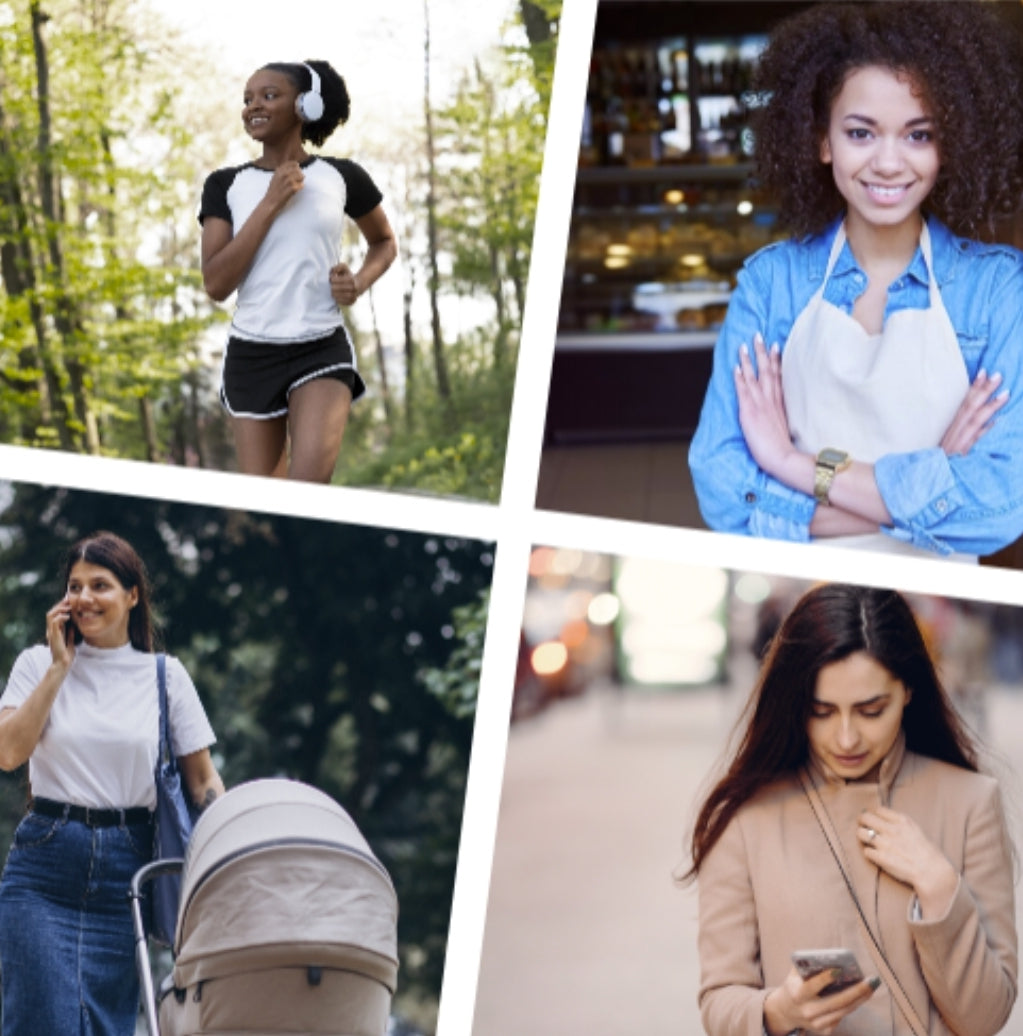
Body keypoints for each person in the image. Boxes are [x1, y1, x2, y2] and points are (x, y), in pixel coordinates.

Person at [688, 2, 1023, 559]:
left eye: (919, 136)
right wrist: (927, 484)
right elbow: (722, 491)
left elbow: (1003, 505)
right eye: (861, 133)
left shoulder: (996, 291)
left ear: (949, 146)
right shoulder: (772, 284)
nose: (889, 163)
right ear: (823, 142)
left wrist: (791, 465)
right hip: (803, 594)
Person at [683, 583, 1017, 1036]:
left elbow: (986, 1018)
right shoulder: (746, 816)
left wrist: (939, 887)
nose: (845, 739)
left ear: (908, 692)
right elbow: (720, 999)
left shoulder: (971, 802)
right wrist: (779, 1012)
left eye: (871, 710)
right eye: (821, 711)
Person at [0, 532, 225, 1036]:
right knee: (43, 1024)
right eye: (74, 586)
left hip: (128, 876)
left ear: (132, 595)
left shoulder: (166, 677)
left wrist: (230, 853)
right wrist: (60, 667)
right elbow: (9, 752)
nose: (83, 598)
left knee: (108, 1027)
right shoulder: (37, 664)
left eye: (99, 585)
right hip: (43, 870)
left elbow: (203, 781)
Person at [199, 59, 397, 482]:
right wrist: (270, 203)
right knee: (266, 506)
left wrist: (358, 281)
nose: (255, 106)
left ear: (305, 106)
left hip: (320, 347)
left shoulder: (341, 176)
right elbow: (216, 283)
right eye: (248, 99)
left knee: (309, 493)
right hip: (251, 354)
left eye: (270, 96)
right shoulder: (224, 185)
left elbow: (384, 242)